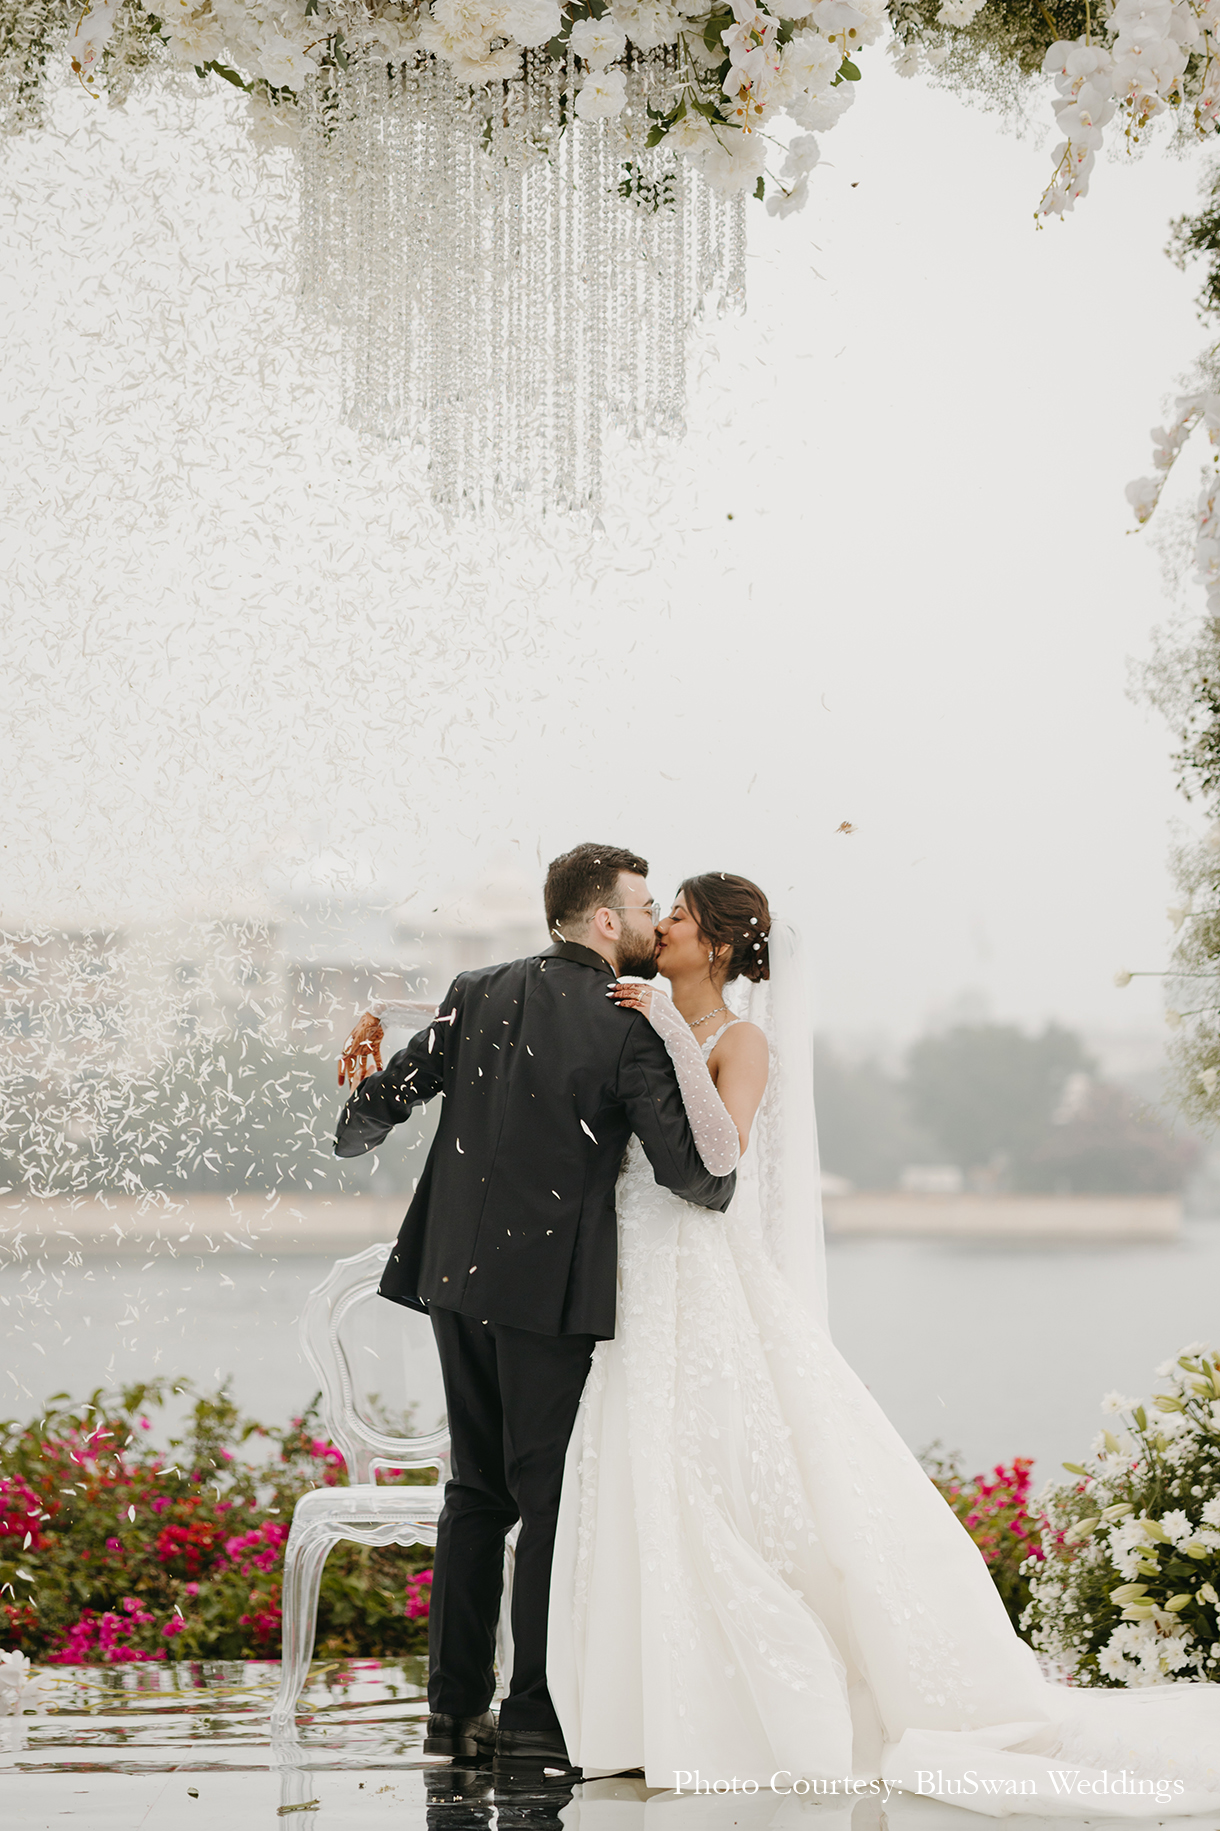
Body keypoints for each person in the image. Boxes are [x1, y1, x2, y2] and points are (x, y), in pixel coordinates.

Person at [543, 872, 1220, 1811]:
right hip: (636, 1276)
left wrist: (661, 1026)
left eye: (683, 919)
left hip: (699, 1276)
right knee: (639, 1470)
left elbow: (722, 1154)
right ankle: (640, 1711)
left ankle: (754, 1706)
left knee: (712, 1469)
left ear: (725, 947)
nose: (662, 928)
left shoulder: (741, 1040)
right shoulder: (637, 1017)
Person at [332, 843, 737, 1779]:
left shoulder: (476, 988)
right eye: (642, 908)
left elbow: (379, 1106)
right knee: (548, 1501)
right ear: (605, 922)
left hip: (451, 1277)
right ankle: (533, 1715)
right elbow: (699, 1178)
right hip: (546, 1294)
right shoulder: (626, 1022)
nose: (649, 922)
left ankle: (451, 1712)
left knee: (476, 1492)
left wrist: (360, 1102)